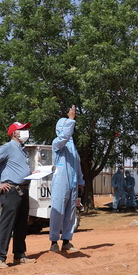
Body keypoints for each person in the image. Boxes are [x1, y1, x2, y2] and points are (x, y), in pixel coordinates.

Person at [0, 121, 36, 268]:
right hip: (11, 190)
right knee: (7, 224)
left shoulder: (22, 149)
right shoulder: (8, 147)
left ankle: (19, 255)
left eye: (26, 129)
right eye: (22, 129)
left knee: (21, 223)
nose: (26, 131)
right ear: (14, 133)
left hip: (23, 189)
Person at [49, 105, 83, 252]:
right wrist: (70, 120)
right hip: (60, 183)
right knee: (58, 211)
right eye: (66, 126)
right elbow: (64, 137)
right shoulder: (57, 143)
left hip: (73, 183)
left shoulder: (72, 148)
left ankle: (67, 241)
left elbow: (78, 164)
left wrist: (80, 182)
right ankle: (54, 242)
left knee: (70, 213)